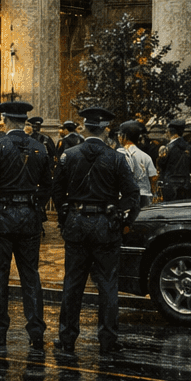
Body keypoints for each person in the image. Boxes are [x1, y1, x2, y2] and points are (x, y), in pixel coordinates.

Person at [51, 106, 142, 355]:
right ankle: (108, 340)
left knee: (73, 283)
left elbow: (57, 193)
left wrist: (65, 216)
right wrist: (124, 220)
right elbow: (133, 194)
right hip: (106, 225)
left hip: (77, 224)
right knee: (108, 285)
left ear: (84, 127)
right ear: (105, 130)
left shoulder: (69, 155)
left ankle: (67, 338)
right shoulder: (115, 157)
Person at [0, 101, 52, 350]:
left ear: (5, 120)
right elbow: (48, 185)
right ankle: (36, 332)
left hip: (0, 220)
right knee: (31, 277)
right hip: (29, 218)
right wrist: (34, 204)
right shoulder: (40, 148)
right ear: (24, 121)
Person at [116, 120, 157, 207]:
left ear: (125, 136)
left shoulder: (117, 154)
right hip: (145, 196)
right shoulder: (145, 156)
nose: (118, 137)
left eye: (119, 134)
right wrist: (154, 193)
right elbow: (153, 177)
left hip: (126, 196)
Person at [157, 119, 191, 200]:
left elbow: (161, 167)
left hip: (169, 186)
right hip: (186, 185)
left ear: (169, 131)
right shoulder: (190, 147)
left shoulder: (166, 149)